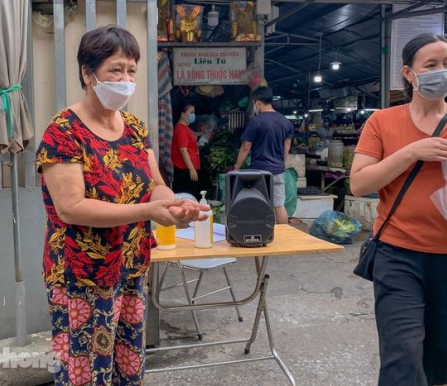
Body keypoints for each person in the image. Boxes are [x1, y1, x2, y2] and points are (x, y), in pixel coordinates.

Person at [35, 25, 207, 385]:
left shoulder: (133, 128)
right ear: (87, 72)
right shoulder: (63, 131)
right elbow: (71, 208)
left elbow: (155, 185)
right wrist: (146, 212)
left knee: (128, 371)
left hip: (129, 270)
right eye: (115, 69)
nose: (125, 79)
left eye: (131, 70)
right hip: (83, 277)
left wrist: (174, 206)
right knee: (85, 374)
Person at [350, 33, 447, 386]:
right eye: (431, 65)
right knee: (401, 358)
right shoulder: (382, 122)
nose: (442, 72)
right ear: (409, 73)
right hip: (397, 254)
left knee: (439, 360)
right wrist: (410, 153)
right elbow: (359, 184)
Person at [234, 86, 294, 224]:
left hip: (259, 171)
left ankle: (261, 233)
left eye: (254, 103)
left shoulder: (256, 121)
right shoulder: (286, 122)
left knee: (260, 204)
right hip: (278, 171)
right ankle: (284, 237)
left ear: (258, 102)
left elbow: (245, 146)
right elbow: (287, 147)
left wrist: (237, 166)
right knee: (279, 205)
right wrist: (280, 163)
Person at [171, 104, 201, 198]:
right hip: (184, 170)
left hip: (187, 168)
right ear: (182, 114)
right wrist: (191, 169)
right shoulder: (181, 129)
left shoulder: (185, 128)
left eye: (194, 112)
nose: (193, 115)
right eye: (191, 112)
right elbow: (183, 150)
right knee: (188, 197)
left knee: (191, 196)